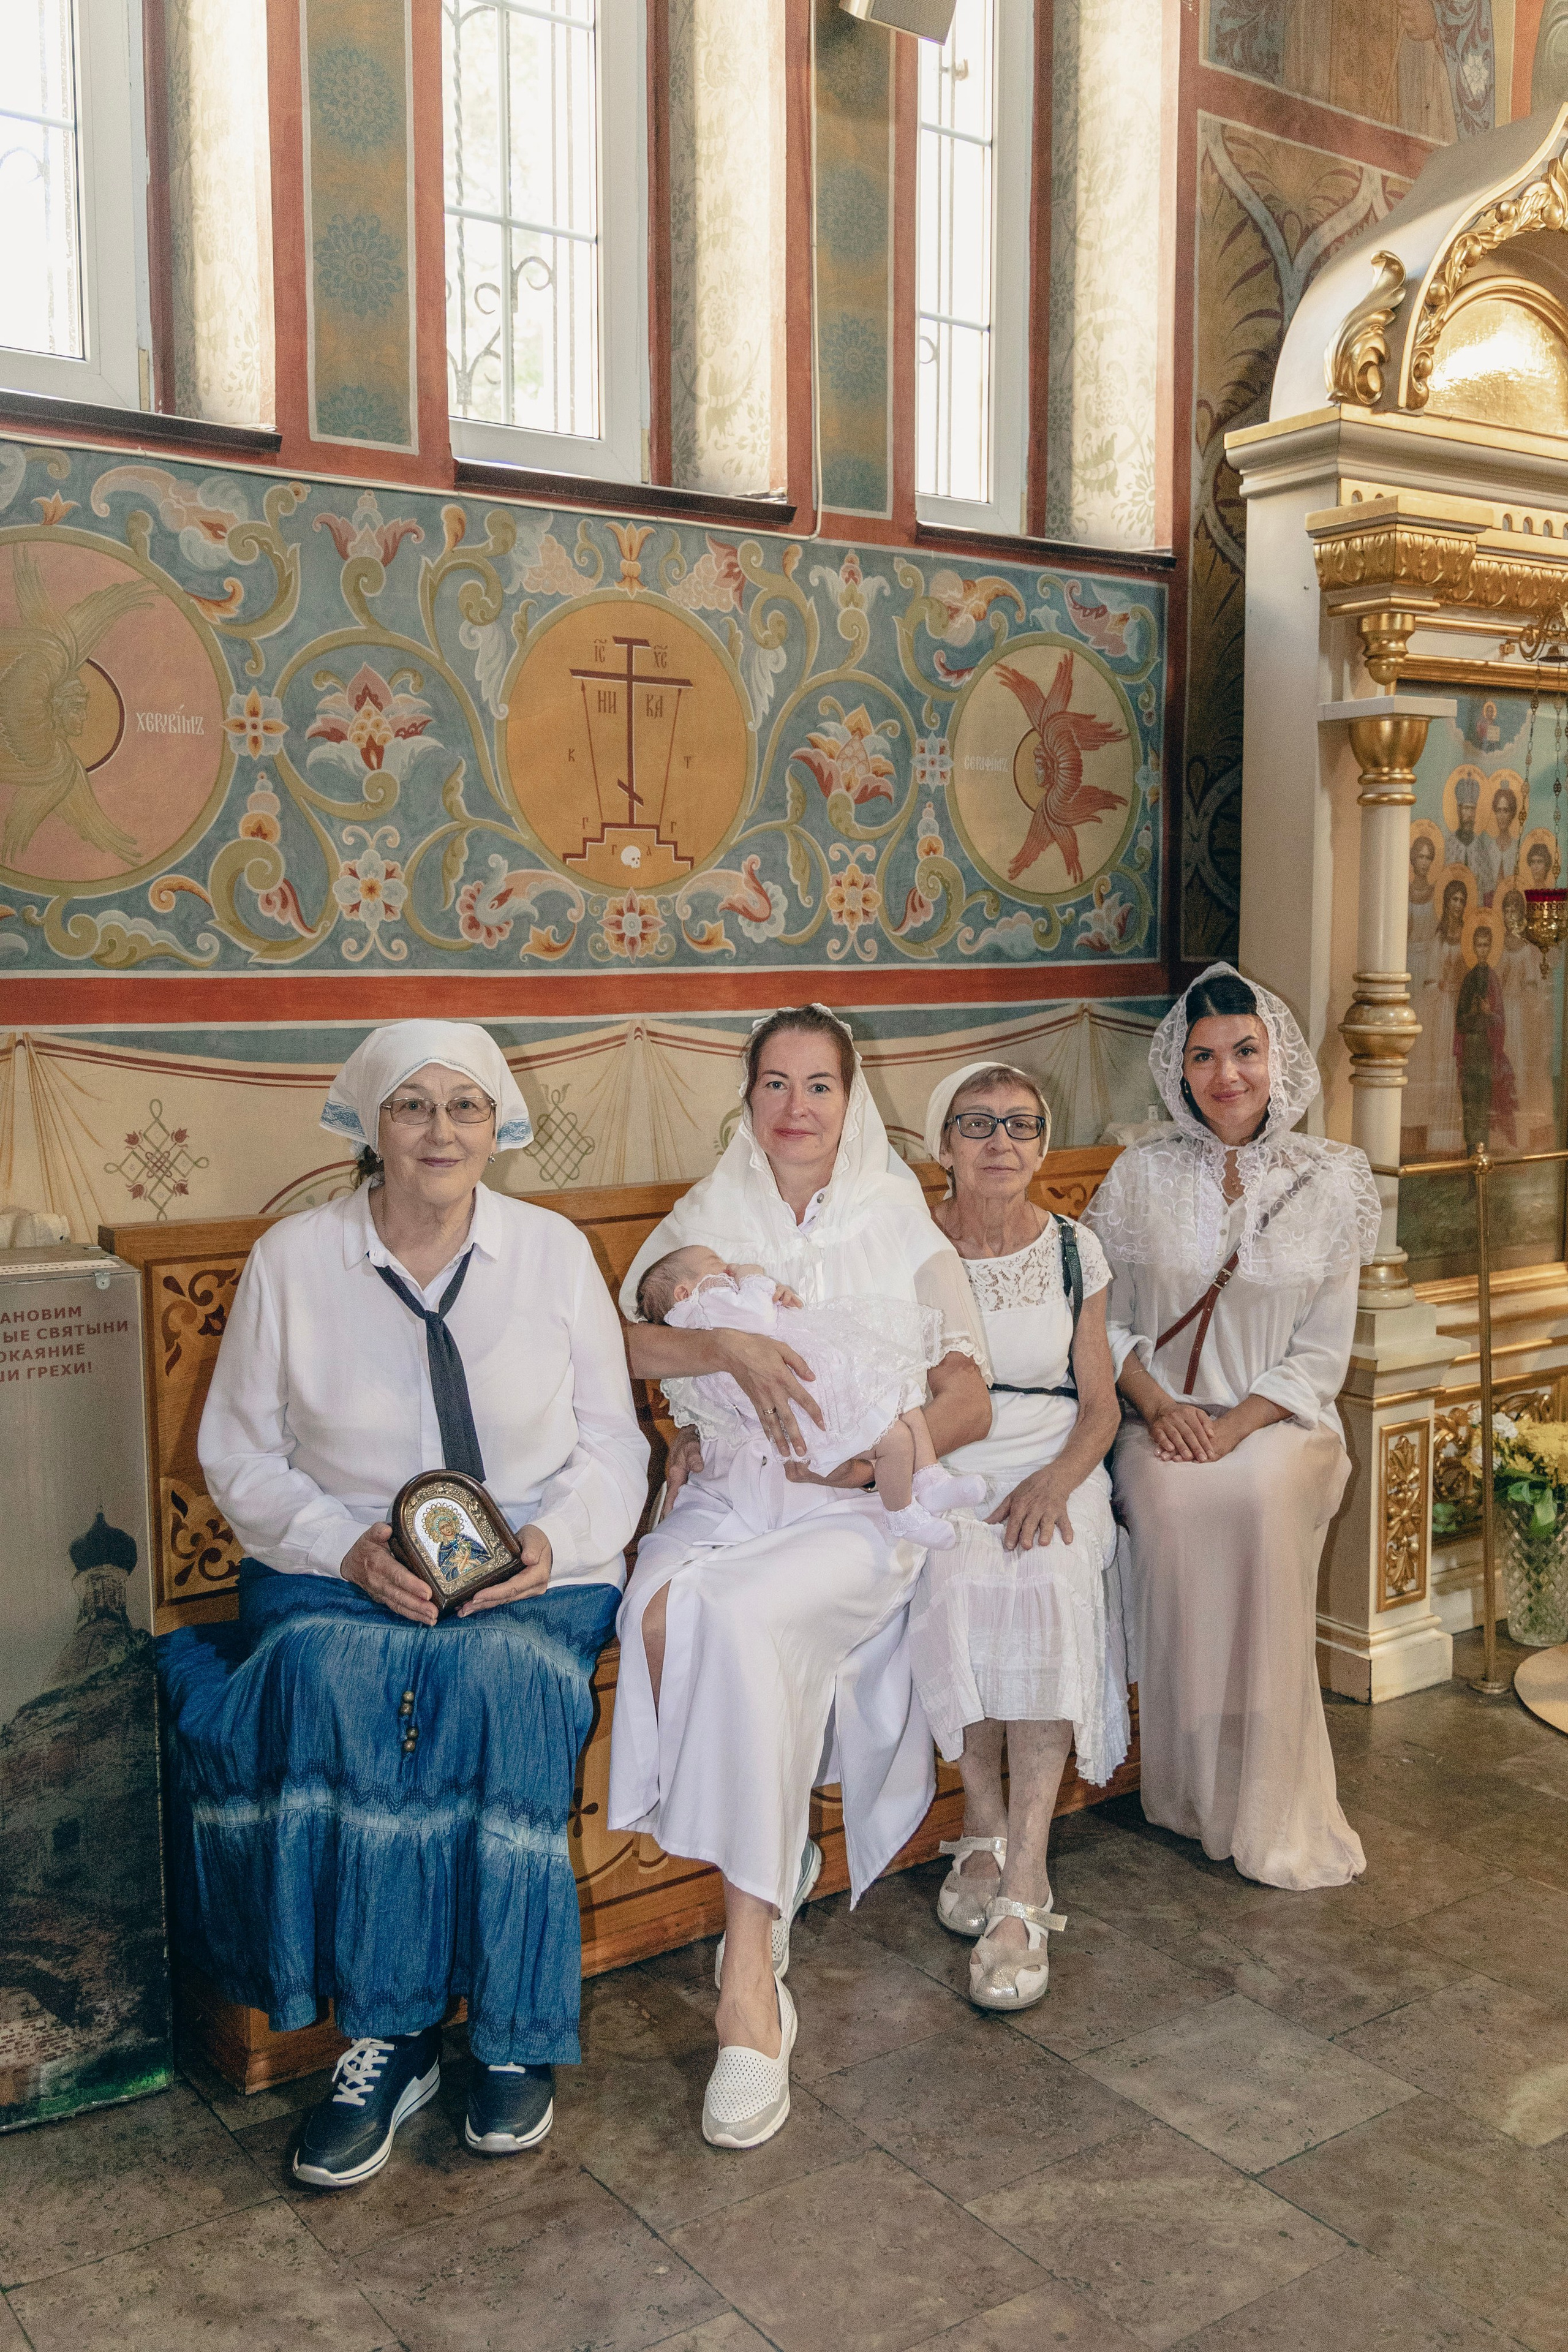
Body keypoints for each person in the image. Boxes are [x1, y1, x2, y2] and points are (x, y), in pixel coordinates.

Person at [157, 1021, 647, 2187]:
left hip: (530, 1566)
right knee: (340, 1675)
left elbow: (613, 1449)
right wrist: (344, 1549)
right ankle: (390, 2033)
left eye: (465, 1107)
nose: (440, 1131)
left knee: (503, 1679)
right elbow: (242, 1456)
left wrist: (548, 1543)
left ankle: (511, 2034)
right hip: (338, 1566)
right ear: (372, 1127)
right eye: (413, 1107)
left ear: (498, 1128)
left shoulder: (551, 1252)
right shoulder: (294, 1259)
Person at [609, 1005, 990, 2150]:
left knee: (741, 1617)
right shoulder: (708, 1212)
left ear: (850, 1095)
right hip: (730, 1492)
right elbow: (622, 1341)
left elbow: (969, 1393)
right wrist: (722, 1345)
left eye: (818, 1085)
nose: (794, 1108)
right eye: (774, 1083)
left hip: (849, 1515)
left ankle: (748, 1979)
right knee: (662, 1611)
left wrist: (896, 1443)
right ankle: (775, 1848)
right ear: (749, 1095)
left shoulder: (897, 1216)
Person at [1083, 965, 1380, 1890]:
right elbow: (1108, 1320)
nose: (1227, 1076)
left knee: (1253, 1496)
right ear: (1180, 1068)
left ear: (1277, 1060)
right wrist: (1163, 1406)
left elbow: (1322, 1354)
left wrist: (1240, 1422)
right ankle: (1187, 1784)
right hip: (1162, 1421)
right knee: (1172, 1508)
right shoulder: (1140, 1173)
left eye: (1245, 1052)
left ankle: (1269, 1794)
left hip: (1283, 1426)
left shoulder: (1331, 1179)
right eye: (1205, 1056)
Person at [905, 1063, 1128, 2013]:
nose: (1002, 1142)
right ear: (941, 1144)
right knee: (952, 1570)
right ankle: (983, 1826)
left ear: (1042, 1143)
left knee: (1046, 1579)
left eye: (1023, 1125)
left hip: (1055, 1458)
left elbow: (1104, 1403)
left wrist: (1058, 1481)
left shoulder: (1077, 1249)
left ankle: (1025, 1880)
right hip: (947, 1460)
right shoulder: (907, 1249)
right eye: (978, 1124)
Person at [635, 1244, 983, 1547]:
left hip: (816, 1392)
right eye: (716, 1265)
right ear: (684, 1293)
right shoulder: (703, 1307)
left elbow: (763, 1317)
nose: (728, 1267)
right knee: (895, 1436)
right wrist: (753, 1275)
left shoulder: (705, 1317)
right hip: (809, 1406)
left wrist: (777, 1294)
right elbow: (756, 1311)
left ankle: (930, 1480)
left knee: (902, 1393)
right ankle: (904, 1512)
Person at [1454, 916, 1518, 1150]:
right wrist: (1472, 1014)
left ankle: (1484, 1151)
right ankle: (1472, 1152)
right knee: (1470, 1104)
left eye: (1486, 945)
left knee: (1484, 1104)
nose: (1482, 950)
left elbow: (1500, 1020)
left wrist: (1489, 1013)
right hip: (1471, 1049)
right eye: (1478, 945)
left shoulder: (1493, 980)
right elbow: (1460, 1022)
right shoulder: (1469, 979)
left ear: (1491, 948)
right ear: (1473, 947)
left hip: (1487, 1052)